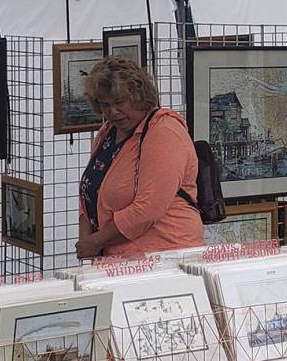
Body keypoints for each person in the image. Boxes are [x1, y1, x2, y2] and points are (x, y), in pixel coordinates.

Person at [75, 56, 203, 258]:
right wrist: (87, 242)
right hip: (116, 259)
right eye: (105, 105)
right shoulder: (106, 132)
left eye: (119, 102)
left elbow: (147, 210)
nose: (113, 112)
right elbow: (89, 191)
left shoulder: (164, 131)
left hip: (163, 256)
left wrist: (94, 242)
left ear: (139, 96)